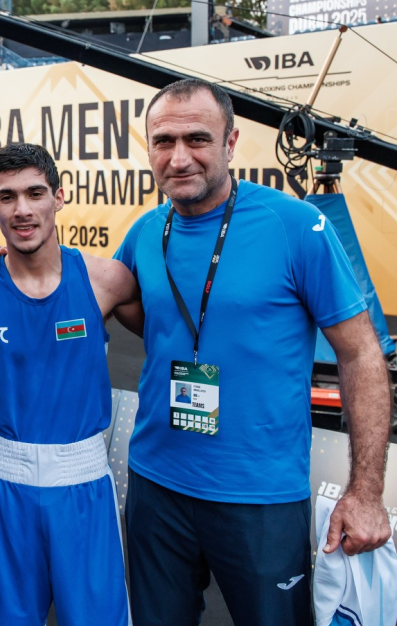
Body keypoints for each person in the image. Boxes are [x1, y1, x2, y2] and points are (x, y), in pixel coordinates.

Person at [113, 79, 393, 625]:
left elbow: (361, 355)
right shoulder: (147, 230)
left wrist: (366, 492)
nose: (179, 157)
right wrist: (3, 262)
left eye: (197, 138)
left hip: (261, 498)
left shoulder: (295, 226)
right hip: (156, 486)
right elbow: (108, 296)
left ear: (231, 141)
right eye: (163, 141)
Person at [0, 143, 139, 626]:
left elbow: (171, 336)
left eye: (34, 193)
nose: (22, 209)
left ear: (59, 197)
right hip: (6, 485)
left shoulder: (105, 278)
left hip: (84, 484)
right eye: (7, 197)